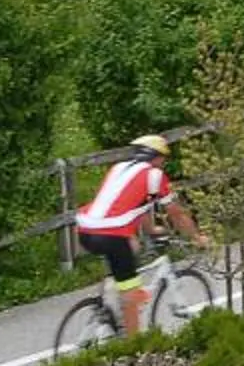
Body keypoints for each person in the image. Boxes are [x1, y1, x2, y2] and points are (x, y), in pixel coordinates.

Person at [73, 134, 207, 335]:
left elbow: (138, 204)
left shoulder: (118, 168)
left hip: (85, 229)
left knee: (131, 249)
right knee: (132, 293)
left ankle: (109, 305)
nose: (163, 163)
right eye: (163, 158)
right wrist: (197, 237)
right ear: (157, 157)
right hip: (111, 233)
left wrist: (151, 230)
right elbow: (176, 214)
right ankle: (134, 347)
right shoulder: (154, 175)